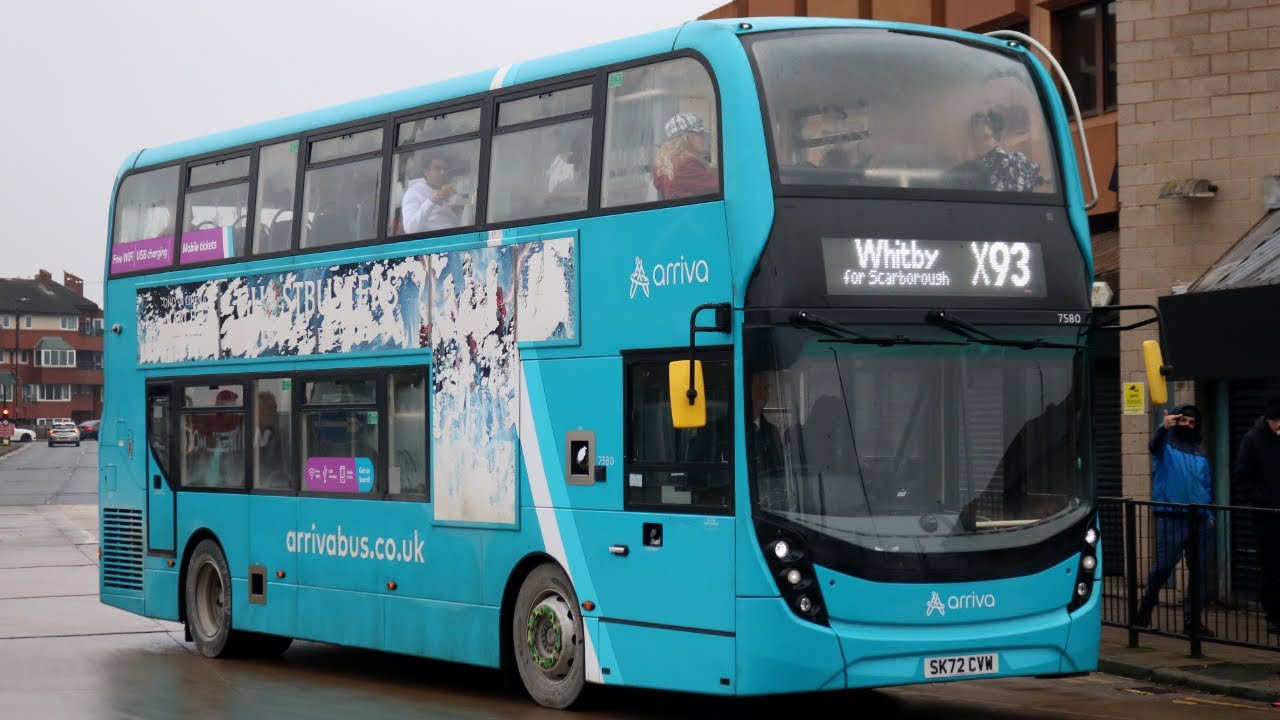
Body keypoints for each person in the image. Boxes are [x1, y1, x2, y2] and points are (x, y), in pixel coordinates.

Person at [1136, 405, 1215, 636]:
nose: (1188, 426)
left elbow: (1206, 486)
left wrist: (1210, 517)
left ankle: (1192, 621)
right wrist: (1163, 427)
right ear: (1176, 422)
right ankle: (1145, 609)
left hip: (1200, 519)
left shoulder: (1200, 453)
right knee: (1163, 567)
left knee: (1199, 573)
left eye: (1192, 423)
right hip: (1171, 517)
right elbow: (1153, 445)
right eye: (1184, 421)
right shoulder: (1165, 446)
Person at [1235, 398, 1280, 634]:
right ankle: (1274, 615)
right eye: (1277, 421)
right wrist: (1261, 500)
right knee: (1271, 567)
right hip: (1266, 517)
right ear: (1268, 420)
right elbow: (1243, 475)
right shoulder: (1252, 440)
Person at [954, 110, 1043, 192]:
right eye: (976, 137)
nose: (980, 143)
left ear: (997, 137)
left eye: (986, 137)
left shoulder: (1004, 160)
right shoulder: (971, 167)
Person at [652, 112, 719, 200]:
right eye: (700, 134)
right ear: (687, 138)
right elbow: (718, 186)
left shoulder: (667, 161)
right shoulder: (685, 164)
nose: (703, 137)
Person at [401, 153, 461, 234]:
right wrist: (431, 201)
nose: (442, 172)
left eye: (445, 169)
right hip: (431, 238)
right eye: (437, 168)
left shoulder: (451, 192)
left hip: (457, 236)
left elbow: (460, 223)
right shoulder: (414, 192)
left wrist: (456, 209)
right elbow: (410, 229)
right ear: (426, 172)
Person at [746, 371, 784, 477]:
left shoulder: (773, 432)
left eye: (766, 388)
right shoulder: (729, 429)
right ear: (747, 391)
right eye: (758, 388)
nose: (763, 393)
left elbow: (780, 470)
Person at [254, 391, 289, 489]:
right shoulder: (246, 434)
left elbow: (281, 465)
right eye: (269, 408)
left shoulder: (277, 434)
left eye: (275, 408)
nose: (274, 412)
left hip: (273, 484)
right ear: (257, 411)